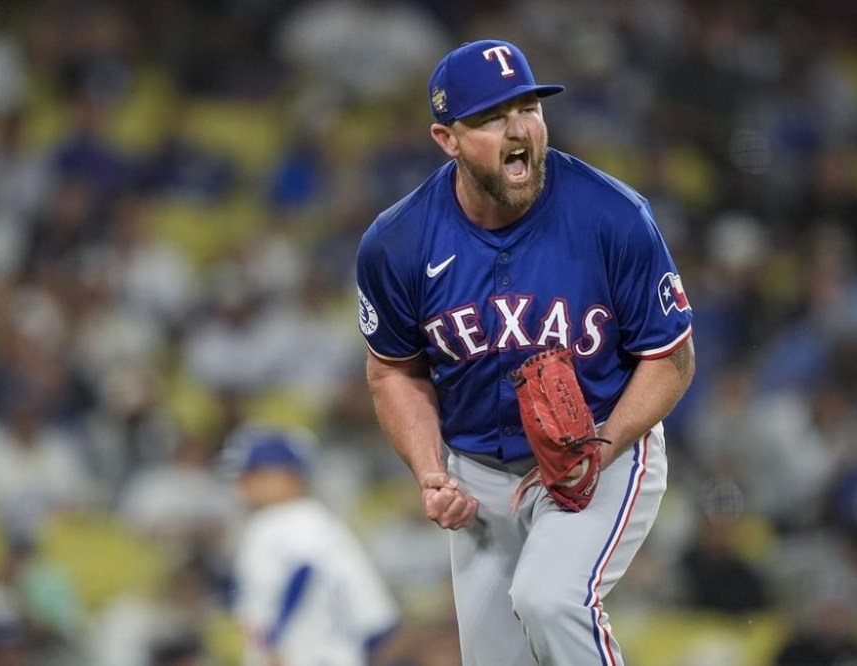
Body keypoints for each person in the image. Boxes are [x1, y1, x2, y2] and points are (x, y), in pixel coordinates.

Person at [356, 39, 695, 665]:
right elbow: (394, 373)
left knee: (550, 599)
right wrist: (431, 471)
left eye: (528, 108)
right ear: (446, 138)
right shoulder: (397, 243)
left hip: (600, 446)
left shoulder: (612, 216)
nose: (519, 129)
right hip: (479, 470)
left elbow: (671, 357)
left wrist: (604, 445)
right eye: (490, 117)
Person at [221, 425, 401, 666]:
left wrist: (275, 642)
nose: (244, 484)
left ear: (289, 475)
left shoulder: (281, 521)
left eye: (256, 474)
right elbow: (378, 619)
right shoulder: (320, 522)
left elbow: (303, 571)